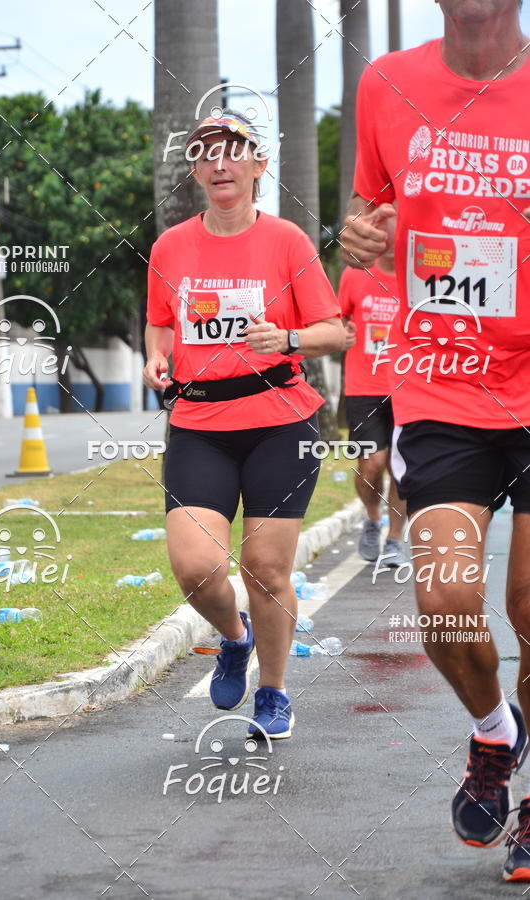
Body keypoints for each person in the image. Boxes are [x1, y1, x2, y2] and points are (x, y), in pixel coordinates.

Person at [341, 0, 530, 881]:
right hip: (443, 381)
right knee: (448, 605)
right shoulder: (389, 85)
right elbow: (367, 218)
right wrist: (361, 235)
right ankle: (495, 731)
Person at [144, 110, 345, 739]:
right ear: (197, 170)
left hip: (280, 421)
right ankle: (235, 636)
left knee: (266, 567)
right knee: (196, 567)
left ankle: (275, 692)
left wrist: (284, 336)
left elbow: (334, 331)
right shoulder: (171, 246)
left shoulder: (287, 241)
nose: (220, 164)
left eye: (233, 152)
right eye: (206, 154)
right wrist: (155, 354)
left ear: (259, 165)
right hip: (200, 419)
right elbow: (159, 320)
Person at [339, 223, 407, 567]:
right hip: (363, 386)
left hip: (410, 387)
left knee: (400, 467)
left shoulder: (418, 275)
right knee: (372, 464)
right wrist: (343, 330)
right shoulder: (356, 274)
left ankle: (395, 538)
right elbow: (337, 320)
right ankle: (372, 517)